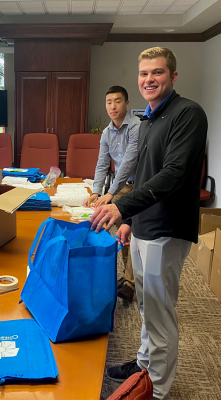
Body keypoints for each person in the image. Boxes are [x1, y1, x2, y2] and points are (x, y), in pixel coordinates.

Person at [89, 47, 207, 399]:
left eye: (157, 72)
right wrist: (131, 219)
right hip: (144, 225)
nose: (149, 79)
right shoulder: (149, 118)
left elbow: (172, 175)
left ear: (172, 76)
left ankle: (157, 389)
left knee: (160, 312)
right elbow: (143, 174)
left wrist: (123, 207)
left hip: (167, 229)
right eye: (143, 74)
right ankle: (144, 365)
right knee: (145, 305)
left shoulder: (188, 114)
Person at [83, 85, 140, 301]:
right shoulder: (106, 133)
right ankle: (128, 278)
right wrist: (97, 192)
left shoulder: (136, 126)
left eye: (117, 101)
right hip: (122, 185)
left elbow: (129, 161)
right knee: (120, 229)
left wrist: (111, 192)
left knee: (132, 230)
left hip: (141, 184)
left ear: (126, 103)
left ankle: (131, 282)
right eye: (109, 102)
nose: (113, 106)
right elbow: (102, 163)